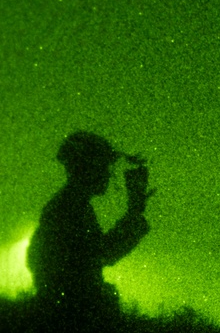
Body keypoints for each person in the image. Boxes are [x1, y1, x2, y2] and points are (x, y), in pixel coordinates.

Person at [27, 131, 152, 323]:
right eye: (103, 167)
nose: (108, 175)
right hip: (71, 319)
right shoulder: (69, 207)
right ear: (86, 168)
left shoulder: (70, 204)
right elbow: (102, 253)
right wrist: (134, 213)